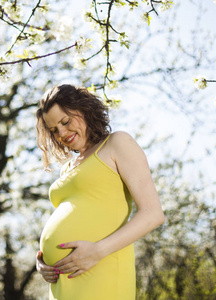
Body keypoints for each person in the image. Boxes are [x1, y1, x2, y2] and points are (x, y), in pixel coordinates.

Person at [35, 84, 165, 300]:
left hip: (101, 268)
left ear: (84, 109)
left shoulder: (117, 143)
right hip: (63, 281)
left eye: (65, 122)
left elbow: (153, 214)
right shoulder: (68, 166)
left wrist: (98, 251)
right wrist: (43, 261)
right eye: (54, 130)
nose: (62, 133)